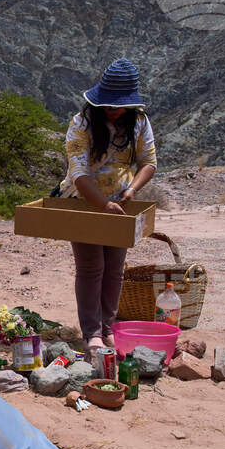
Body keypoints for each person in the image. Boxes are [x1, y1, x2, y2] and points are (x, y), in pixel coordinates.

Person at [58, 58, 157, 352]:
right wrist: (102, 204)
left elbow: (149, 162)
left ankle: (108, 327)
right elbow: (79, 174)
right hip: (84, 202)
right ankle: (92, 332)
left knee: (115, 268)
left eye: (118, 106)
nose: (113, 111)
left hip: (120, 205)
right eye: (109, 106)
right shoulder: (81, 124)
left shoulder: (139, 122)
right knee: (92, 267)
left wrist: (132, 189)